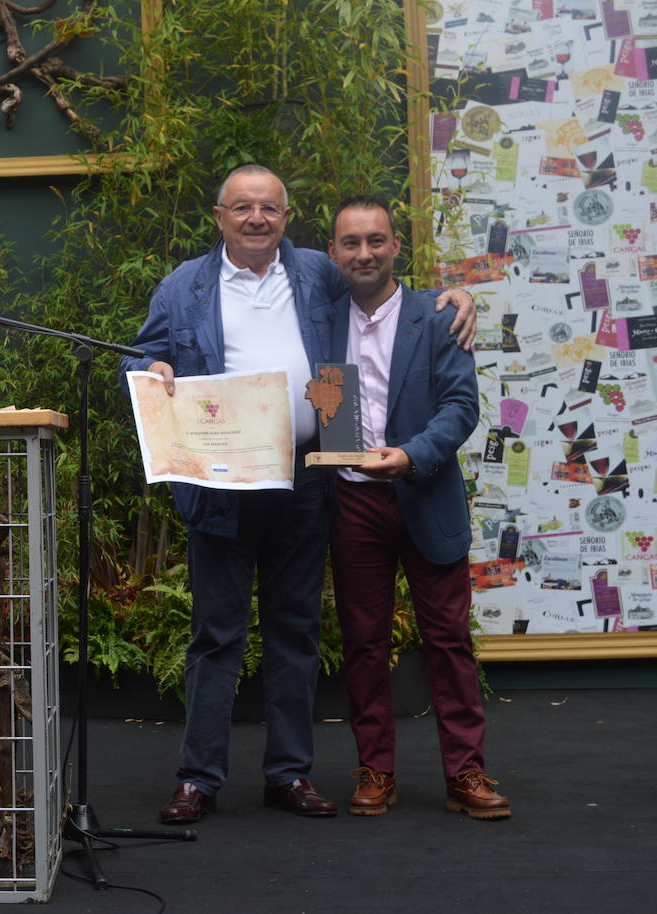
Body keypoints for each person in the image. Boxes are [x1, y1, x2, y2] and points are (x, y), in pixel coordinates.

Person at [120, 165, 476, 824]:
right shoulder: (182, 286)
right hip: (221, 482)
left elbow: (382, 290)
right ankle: (198, 778)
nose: (256, 218)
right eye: (242, 207)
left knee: (296, 631)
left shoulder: (316, 271)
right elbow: (139, 358)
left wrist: (449, 297)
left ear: (287, 217)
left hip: (304, 480)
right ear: (220, 217)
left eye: (269, 208)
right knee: (215, 635)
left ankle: (288, 773)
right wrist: (150, 367)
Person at [324, 195, 506, 819]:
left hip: (425, 492)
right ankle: (376, 770)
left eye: (376, 240)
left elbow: (461, 407)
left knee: (449, 639)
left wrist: (409, 455)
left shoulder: (437, 315)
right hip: (353, 501)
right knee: (363, 643)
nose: (365, 253)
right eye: (351, 242)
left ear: (396, 245)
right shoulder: (320, 320)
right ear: (332, 252)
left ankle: (466, 773)